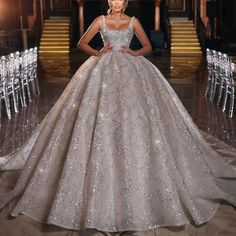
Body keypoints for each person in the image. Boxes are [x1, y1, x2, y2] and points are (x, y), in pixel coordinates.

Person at [0, 0, 236, 233]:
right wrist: (98, 52)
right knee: (97, 113)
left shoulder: (133, 21)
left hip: (131, 68)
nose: (116, 2)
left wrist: (133, 52)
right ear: (109, 2)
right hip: (101, 67)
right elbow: (82, 42)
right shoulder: (100, 20)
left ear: (125, 2)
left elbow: (147, 46)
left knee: (136, 113)